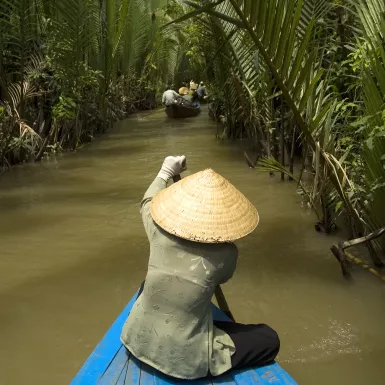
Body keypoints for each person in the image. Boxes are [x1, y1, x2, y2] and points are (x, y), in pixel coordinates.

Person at [121, 156, 280, 380]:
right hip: (183, 360)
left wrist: (166, 171)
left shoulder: (157, 229)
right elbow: (222, 279)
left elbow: (147, 201)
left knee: (147, 285)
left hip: (134, 337)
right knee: (269, 338)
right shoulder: (227, 253)